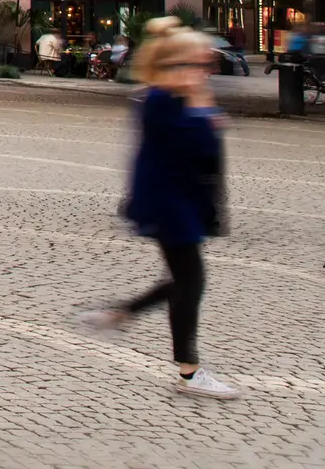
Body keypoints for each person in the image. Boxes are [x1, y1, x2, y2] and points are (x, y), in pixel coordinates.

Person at [75, 30, 236, 397]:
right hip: (169, 204)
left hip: (181, 203)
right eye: (197, 64)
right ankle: (189, 371)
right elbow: (194, 146)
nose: (204, 71)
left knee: (185, 279)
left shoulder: (172, 97)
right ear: (173, 65)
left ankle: (122, 314)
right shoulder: (160, 99)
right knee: (190, 282)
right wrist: (204, 110)